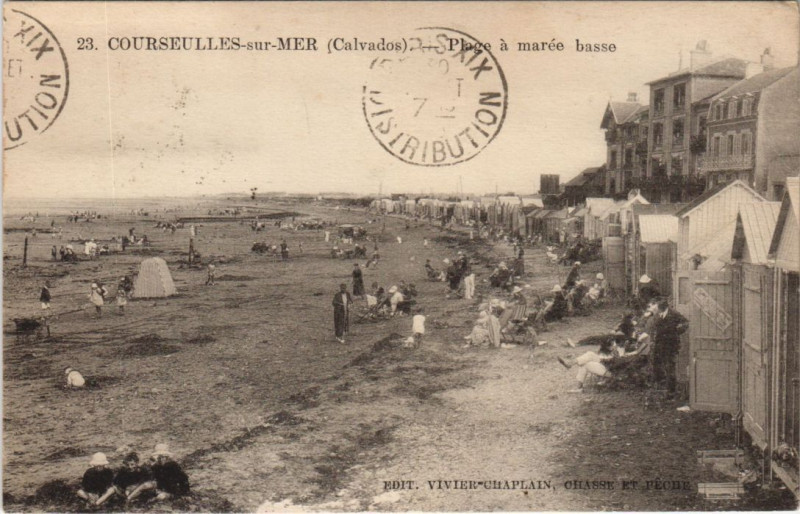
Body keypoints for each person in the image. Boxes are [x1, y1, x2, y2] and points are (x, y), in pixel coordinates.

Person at [652, 300, 689, 397]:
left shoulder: (674, 314)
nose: (657, 309)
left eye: (658, 308)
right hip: (659, 343)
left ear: (663, 307)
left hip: (670, 344)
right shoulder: (657, 315)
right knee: (658, 364)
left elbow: (685, 323)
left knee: (670, 366)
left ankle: (671, 391)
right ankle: (661, 386)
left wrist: (677, 331)